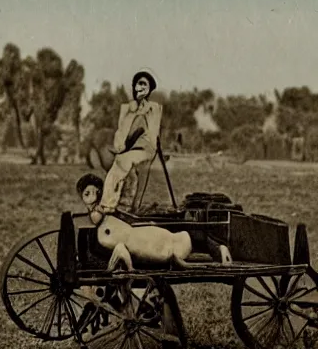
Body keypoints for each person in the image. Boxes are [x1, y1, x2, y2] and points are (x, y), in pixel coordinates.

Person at [76, 173, 233, 270]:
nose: (92, 197)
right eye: (87, 194)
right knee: (175, 241)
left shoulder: (107, 213)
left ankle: (217, 249)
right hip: (139, 240)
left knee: (177, 241)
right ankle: (212, 249)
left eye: (95, 192)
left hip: (143, 239)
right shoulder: (103, 218)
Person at [90, 70, 162, 226]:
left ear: (150, 89)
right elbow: (120, 137)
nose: (141, 86)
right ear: (134, 86)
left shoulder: (154, 108)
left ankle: (107, 205)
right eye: (139, 83)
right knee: (126, 169)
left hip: (146, 149)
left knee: (124, 160)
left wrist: (142, 112)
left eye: (145, 84)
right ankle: (125, 207)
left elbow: (152, 136)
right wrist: (132, 112)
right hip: (128, 150)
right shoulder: (126, 108)